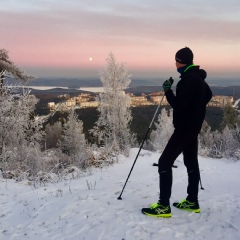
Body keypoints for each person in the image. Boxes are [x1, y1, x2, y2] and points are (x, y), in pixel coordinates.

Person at [142, 47, 212, 218]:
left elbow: (179, 105)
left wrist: (167, 91)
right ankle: (191, 201)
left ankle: (163, 206)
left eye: (176, 60)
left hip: (185, 128)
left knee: (164, 162)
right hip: (193, 127)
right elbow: (208, 95)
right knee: (190, 161)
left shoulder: (188, 80)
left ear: (180, 61)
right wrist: (197, 108)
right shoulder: (199, 79)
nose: (175, 63)